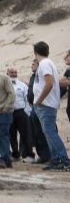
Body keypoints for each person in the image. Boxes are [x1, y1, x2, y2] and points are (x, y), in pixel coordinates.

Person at [32, 41, 70, 171]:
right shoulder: (47, 63)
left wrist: (40, 100)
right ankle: (56, 160)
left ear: (35, 52)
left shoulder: (45, 63)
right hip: (45, 105)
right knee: (48, 133)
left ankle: (64, 161)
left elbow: (49, 83)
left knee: (50, 133)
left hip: (46, 105)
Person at [7, 67, 34, 162]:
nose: (14, 74)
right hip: (9, 113)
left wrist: (26, 111)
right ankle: (15, 154)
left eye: (15, 72)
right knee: (11, 135)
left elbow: (27, 98)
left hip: (21, 112)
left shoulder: (22, 85)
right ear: (7, 73)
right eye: (12, 72)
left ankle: (29, 155)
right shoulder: (5, 85)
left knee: (25, 134)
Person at [28, 58, 50, 163]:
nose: (31, 66)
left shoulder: (43, 75)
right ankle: (42, 156)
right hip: (33, 107)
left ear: (39, 65)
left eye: (34, 64)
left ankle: (50, 155)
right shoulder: (33, 76)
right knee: (37, 133)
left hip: (42, 106)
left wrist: (43, 101)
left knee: (45, 131)